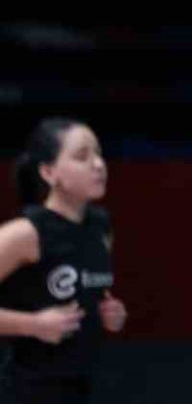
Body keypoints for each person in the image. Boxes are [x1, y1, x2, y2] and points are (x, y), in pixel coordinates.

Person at [0, 119, 126, 403]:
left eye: (99, 154)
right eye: (82, 156)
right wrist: (32, 324)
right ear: (48, 172)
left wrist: (111, 313)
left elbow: (88, 294)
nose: (98, 164)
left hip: (82, 387)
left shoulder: (100, 227)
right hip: (25, 391)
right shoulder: (26, 233)